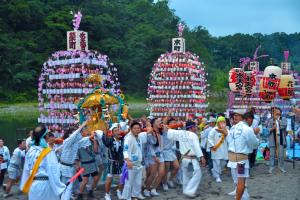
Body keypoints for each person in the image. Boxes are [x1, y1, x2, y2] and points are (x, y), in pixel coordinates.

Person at [20, 125, 66, 200]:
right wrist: (60, 187)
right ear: (46, 136)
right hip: (46, 186)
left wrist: (24, 186)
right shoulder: (48, 152)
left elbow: (26, 171)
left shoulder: (30, 151)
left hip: (33, 185)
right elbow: (54, 172)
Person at [166, 120, 206, 198]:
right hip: (192, 158)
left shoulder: (180, 133)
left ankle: (186, 189)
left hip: (184, 158)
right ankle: (189, 191)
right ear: (191, 127)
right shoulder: (193, 135)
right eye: (195, 126)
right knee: (198, 174)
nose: (196, 128)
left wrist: (168, 127)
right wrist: (202, 157)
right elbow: (197, 147)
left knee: (186, 175)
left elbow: (169, 133)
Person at [227, 110, 259, 200]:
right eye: (234, 115)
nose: (235, 117)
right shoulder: (247, 129)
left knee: (238, 181)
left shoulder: (233, 128)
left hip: (232, 158)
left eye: (237, 115)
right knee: (241, 182)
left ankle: (243, 197)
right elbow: (254, 143)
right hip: (241, 160)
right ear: (247, 119)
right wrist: (255, 135)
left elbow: (229, 141)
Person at [122, 121, 152, 200]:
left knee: (138, 182)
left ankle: (135, 196)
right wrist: (128, 161)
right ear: (131, 129)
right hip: (131, 164)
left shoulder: (139, 136)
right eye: (134, 128)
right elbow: (125, 150)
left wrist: (148, 124)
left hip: (139, 164)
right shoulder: (128, 138)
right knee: (129, 183)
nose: (136, 130)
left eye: (138, 128)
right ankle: (126, 198)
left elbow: (149, 130)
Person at [59, 123, 86, 200]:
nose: (78, 135)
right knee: (65, 187)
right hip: (64, 168)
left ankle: (66, 197)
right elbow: (74, 135)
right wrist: (82, 126)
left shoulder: (76, 143)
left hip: (70, 167)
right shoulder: (68, 140)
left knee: (68, 187)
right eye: (75, 134)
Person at [101, 123, 124, 200]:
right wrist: (105, 131)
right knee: (109, 178)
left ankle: (119, 191)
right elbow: (104, 140)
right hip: (112, 162)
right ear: (113, 133)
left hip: (121, 161)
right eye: (115, 131)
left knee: (122, 177)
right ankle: (107, 194)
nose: (118, 132)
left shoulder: (123, 139)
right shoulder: (110, 140)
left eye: (118, 130)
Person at [76, 131, 99, 199]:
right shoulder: (79, 143)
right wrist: (77, 165)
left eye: (89, 134)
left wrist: (94, 141)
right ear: (82, 134)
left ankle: (91, 192)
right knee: (85, 181)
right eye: (87, 133)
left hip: (93, 163)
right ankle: (80, 195)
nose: (88, 135)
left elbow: (95, 151)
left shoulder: (91, 141)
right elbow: (76, 156)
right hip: (85, 164)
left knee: (96, 178)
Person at [266, 107, 287, 174]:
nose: (276, 113)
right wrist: (272, 128)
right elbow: (267, 130)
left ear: (280, 113)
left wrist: (277, 120)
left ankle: (281, 167)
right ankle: (271, 167)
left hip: (280, 138)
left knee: (281, 154)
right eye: (275, 112)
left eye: (278, 112)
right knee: (272, 154)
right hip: (272, 139)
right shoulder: (270, 120)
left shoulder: (283, 119)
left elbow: (284, 126)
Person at [207, 116, 228, 183]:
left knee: (224, 163)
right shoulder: (214, 130)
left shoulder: (226, 130)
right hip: (216, 149)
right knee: (217, 163)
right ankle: (217, 177)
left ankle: (215, 171)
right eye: (221, 122)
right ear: (218, 123)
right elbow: (209, 138)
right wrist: (212, 146)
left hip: (224, 150)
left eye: (223, 122)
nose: (222, 123)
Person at [162, 118, 180, 190]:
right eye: (172, 122)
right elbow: (163, 122)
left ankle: (169, 179)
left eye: (175, 122)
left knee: (177, 167)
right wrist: (168, 114)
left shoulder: (175, 131)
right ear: (168, 124)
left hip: (171, 151)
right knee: (166, 169)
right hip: (164, 151)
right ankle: (164, 183)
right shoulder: (165, 130)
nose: (174, 124)